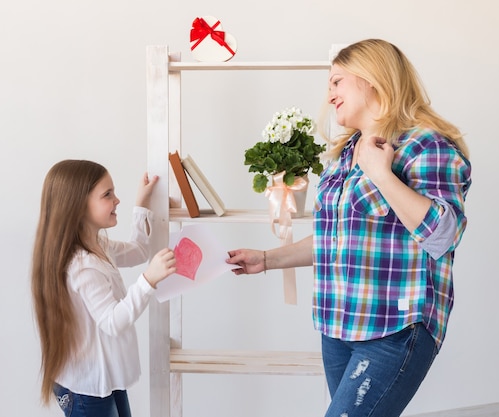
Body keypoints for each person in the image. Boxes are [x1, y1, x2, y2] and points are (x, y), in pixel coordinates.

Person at [227, 39, 472, 417]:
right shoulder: (345, 155)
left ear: (371, 79)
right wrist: (266, 259)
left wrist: (382, 175)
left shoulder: (425, 145)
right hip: (339, 326)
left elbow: (443, 236)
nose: (330, 94)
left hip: (395, 327)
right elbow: (336, 238)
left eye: (337, 81)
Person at [31, 160, 177, 417]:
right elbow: (111, 321)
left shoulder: (96, 245)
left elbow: (139, 250)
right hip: (87, 389)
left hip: (103, 378)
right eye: (107, 195)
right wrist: (148, 280)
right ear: (77, 206)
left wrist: (141, 204)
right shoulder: (82, 266)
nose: (116, 200)